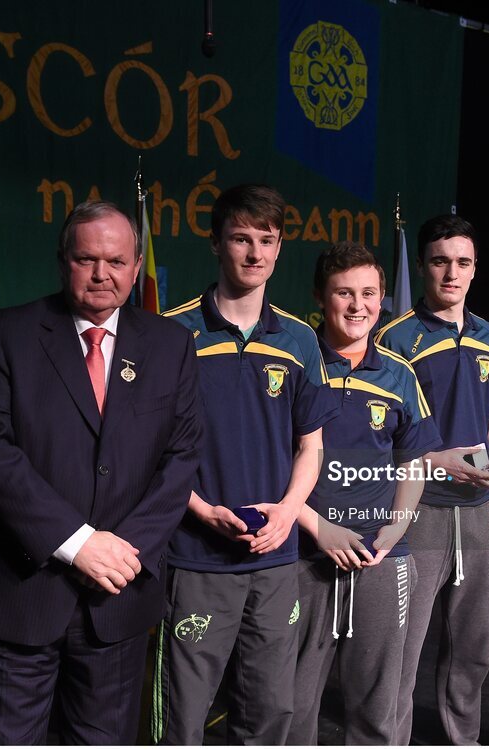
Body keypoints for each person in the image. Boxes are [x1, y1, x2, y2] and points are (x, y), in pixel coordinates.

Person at [0, 201, 202, 744]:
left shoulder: (171, 345)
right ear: (63, 261)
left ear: (137, 267)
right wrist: (76, 543)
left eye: (115, 261)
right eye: (86, 259)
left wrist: (121, 553)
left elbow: (180, 459)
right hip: (20, 595)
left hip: (118, 598)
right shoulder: (5, 336)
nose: (101, 274)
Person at [153, 184, 337, 745]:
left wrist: (287, 513)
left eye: (267, 240)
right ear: (216, 244)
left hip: (275, 560)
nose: (254, 253)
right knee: (181, 718)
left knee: (271, 713)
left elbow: (313, 447)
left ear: (279, 249)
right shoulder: (171, 333)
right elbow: (150, 452)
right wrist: (203, 511)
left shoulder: (301, 340)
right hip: (196, 558)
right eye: (241, 238)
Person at [286, 242, 441, 745]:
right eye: (344, 293)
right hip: (300, 556)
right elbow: (270, 463)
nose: (358, 306)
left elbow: (413, 461)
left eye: (369, 293)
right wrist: (315, 525)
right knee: (291, 704)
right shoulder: (294, 362)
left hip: (380, 558)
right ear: (319, 297)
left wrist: (395, 530)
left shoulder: (399, 374)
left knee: (379, 706)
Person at [375, 214, 489, 744]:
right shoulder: (393, 339)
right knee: (401, 647)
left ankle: (463, 740)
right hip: (417, 510)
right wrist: (437, 461)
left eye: (462, 263)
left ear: (475, 269)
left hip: (481, 512)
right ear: (422, 266)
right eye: (439, 261)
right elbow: (378, 436)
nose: (451, 273)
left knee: (474, 648)